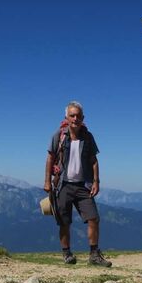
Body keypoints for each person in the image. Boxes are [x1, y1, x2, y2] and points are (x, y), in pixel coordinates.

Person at [44, 101, 112, 267]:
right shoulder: (58, 135)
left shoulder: (88, 137)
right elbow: (50, 158)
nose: (75, 118)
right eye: (72, 115)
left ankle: (94, 255)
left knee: (93, 218)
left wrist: (96, 181)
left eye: (78, 116)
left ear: (83, 118)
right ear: (66, 117)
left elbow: (94, 161)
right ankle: (67, 254)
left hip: (83, 185)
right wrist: (47, 181)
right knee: (64, 221)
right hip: (63, 185)